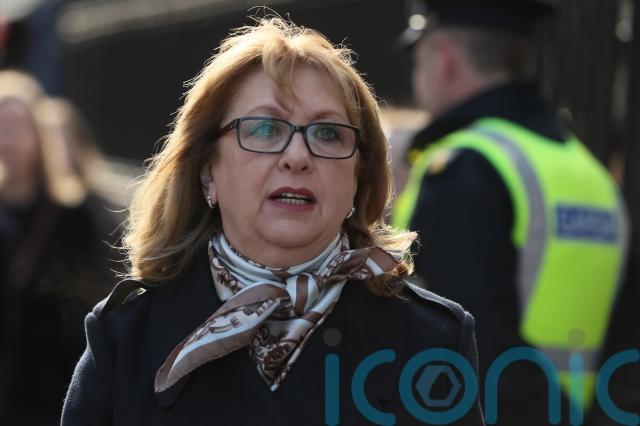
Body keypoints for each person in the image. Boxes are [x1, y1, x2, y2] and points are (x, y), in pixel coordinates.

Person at [62, 17, 485, 425]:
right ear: (207, 170)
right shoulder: (125, 338)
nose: (297, 157)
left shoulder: (431, 338)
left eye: (327, 134)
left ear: (359, 177)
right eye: (265, 130)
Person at [393, 0, 635, 424]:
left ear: (444, 58)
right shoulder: (592, 177)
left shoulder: (466, 168)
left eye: (418, 60)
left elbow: (467, 352)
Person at [0, 71, 122, 423]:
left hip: (56, 387)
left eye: (16, 125)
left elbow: (91, 303)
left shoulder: (73, 216)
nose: (8, 138)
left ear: (38, 133)